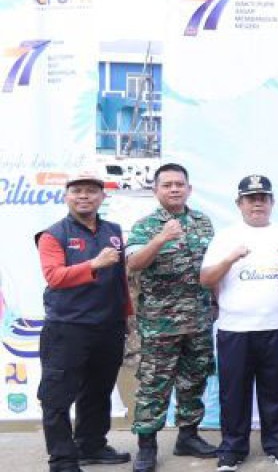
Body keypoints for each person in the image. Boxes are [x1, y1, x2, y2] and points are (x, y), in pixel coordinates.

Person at [36, 171, 132, 472]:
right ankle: (63, 459)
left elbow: (120, 279)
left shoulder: (114, 230)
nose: (84, 196)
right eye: (77, 191)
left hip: (108, 326)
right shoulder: (53, 234)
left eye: (91, 191)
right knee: (57, 397)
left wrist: (126, 315)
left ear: (102, 197)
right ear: (66, 196)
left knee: (98, 390)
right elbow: (54, 277)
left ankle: (91, 446)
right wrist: (94, 264)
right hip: (68, 328)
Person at [125, 162, 218, 472]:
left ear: (189, 189)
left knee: (195, 381)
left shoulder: (204, 223)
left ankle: (188, 436)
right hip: (159, 325)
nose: (175, 189)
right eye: (167, 185)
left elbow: (211, 269)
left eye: (180, 184)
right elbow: (135, 264)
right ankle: (147, 447)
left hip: (199, 321)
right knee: (154, 385)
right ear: (156, 191)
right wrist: (161, 238)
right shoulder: (145, 226)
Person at [198, 175, 278, 471]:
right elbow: (206, 279)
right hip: (235, 329)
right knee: (234, 391)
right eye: (251, 198)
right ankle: (233, 448)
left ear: (272, 202)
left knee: (276, 390)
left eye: (263, 198)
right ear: (239, 204)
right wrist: (230, 259)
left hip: (275, 326)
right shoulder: (226, 236)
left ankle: (277, 444)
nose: (257, 203)